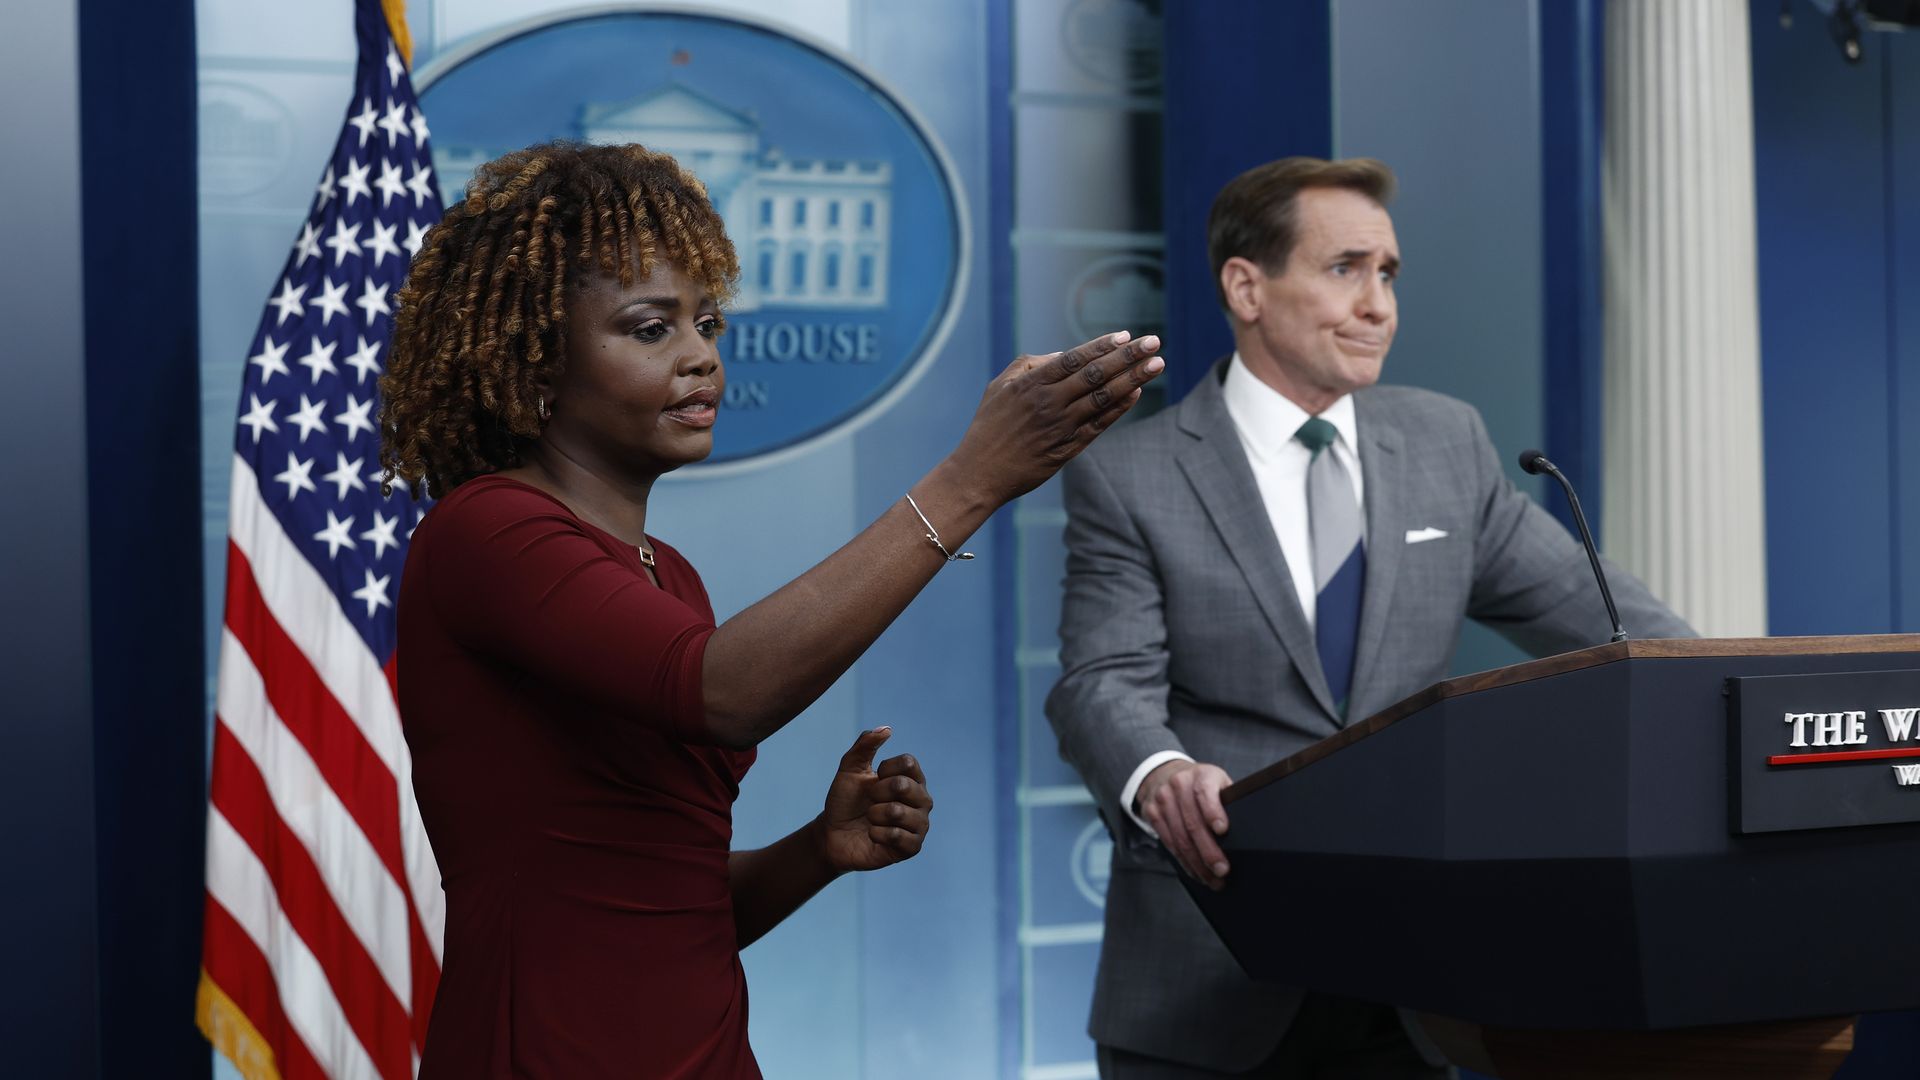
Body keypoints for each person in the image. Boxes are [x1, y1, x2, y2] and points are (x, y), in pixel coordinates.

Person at [379, 140, 1165, 1078]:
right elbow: (720, 693)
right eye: (649, 329)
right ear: (538, 366)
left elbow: (660, 905)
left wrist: (817, 852)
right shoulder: (486, 533)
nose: (701, 356)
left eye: (706, 323)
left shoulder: (666, 573)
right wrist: (972, 480)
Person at [1044, 156, 1695, 1079]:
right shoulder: (1131, 474)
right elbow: (1101, 682)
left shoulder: (1445, 444)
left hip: (1410, 989)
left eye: (1388, 274)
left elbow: (1615, 627)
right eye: (1345, 268)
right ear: (1246, 287)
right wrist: (1159, 773)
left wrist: (1724, 692)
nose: (1379, 304)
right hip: (1207, 978)